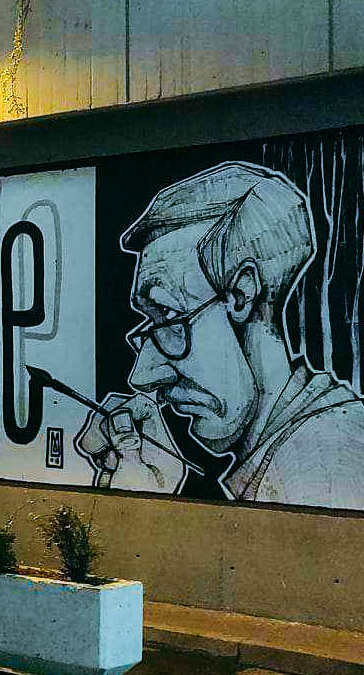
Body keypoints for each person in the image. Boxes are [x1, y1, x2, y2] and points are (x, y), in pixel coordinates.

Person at [77, 162, 364, 509]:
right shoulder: (292, 449)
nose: (144, 375)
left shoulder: (323, 464)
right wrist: (154, 496)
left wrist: (137, 516)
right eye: (151, 325)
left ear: (240, 296)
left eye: (168, 316)